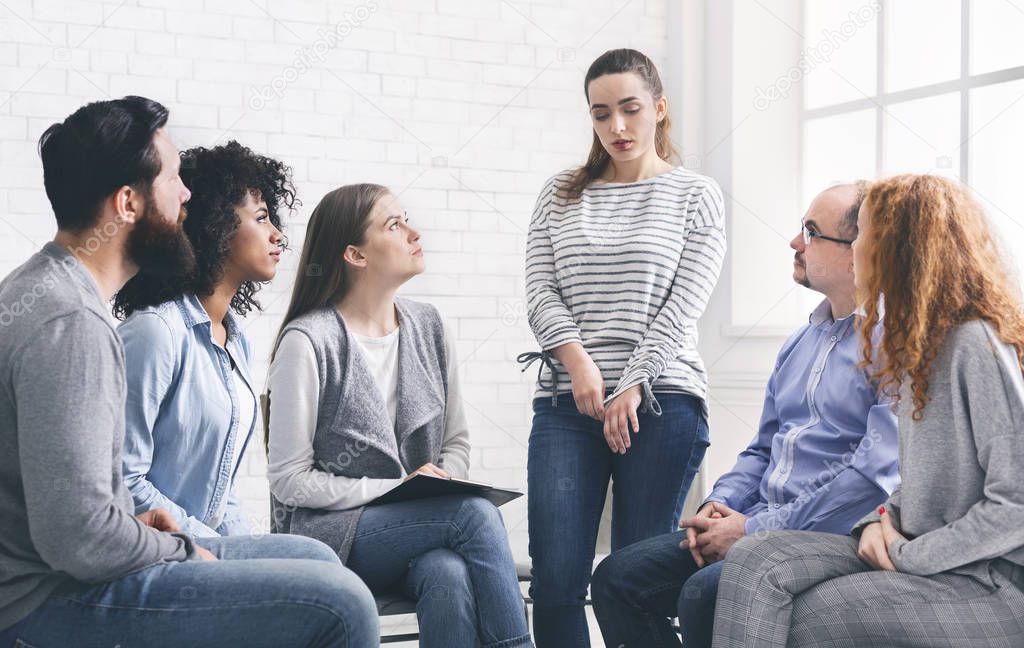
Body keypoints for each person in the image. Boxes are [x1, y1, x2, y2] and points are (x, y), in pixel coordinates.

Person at [0, 96, 377, 647]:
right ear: (128, 203)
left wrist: (138, 529)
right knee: (340, 605)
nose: (187, 195)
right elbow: (76, 542)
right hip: (46, 601)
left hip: (69, 571)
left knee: (313, 556)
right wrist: (177, 549)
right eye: (174, 179)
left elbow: (80, 509)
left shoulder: (49, 289)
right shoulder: (71, 321)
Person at [713, 174, 1024, 647]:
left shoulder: (974, 344)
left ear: (899, 250)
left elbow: (1016, 505)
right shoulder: (914, 348)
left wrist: (907, 552)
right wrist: (876, 523)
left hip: (989, 581)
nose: (854, 247)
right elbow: (909, 481)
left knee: (809, 619)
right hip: (913, 547)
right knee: (754, 559)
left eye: (863, 235)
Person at [589, 182, 900, 647]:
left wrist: (752, 530)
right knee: (616, 578)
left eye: (811, 232)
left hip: (828, 534)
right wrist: (720, 503)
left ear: (858, 251)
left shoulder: (894, 345)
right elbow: (762, 448)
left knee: (704, 595)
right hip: (757, 519)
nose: (795, 243)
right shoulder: (799, 343)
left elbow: (869, 480)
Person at [267, 183, 533, 648]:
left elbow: (457, 443)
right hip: (330, 536)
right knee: (472, 515)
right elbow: (288, 481)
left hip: (414, 532)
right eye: (394, 224)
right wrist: (399, 490)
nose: (414, 231)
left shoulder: (429, 326)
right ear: (355, 254)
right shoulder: (307, 342)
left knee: (446, 572)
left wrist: (440, 481)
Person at [521, 47, 725, 647]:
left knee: (634, 576)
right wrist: (581, 366)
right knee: (557, 577)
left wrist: (631, 381)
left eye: (631, 110)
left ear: (659, 109)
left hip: (662, 402)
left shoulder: (696, 195)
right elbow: (540, 292)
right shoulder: (559, 194)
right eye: (601, 113)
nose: (617, 127)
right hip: (567, 405)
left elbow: (683, 307)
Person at [114, 140, 294, 537]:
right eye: (261, 218)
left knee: (316, 563)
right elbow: (123, 480)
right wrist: (214, 550)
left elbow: (218, 495)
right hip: (154, 551)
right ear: (217, 225)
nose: (277, 235)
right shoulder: (155, 333)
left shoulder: (234, 339)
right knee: (322, 577)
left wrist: (244, 552)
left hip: (203, 549)